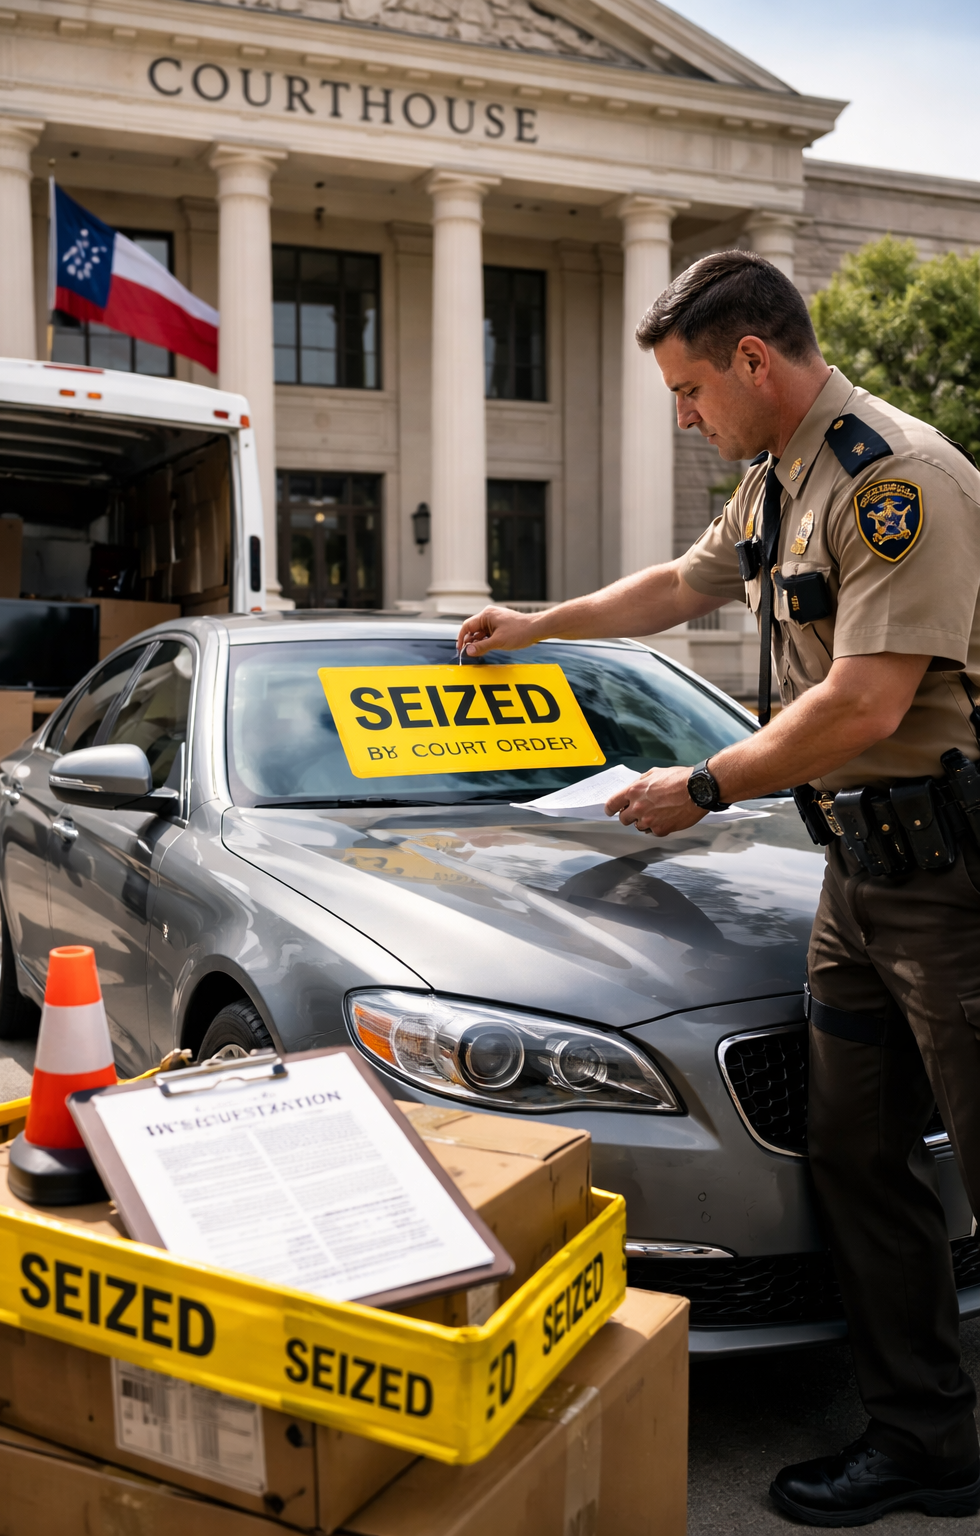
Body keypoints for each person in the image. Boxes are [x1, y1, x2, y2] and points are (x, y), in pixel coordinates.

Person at [458, 249, 980, 1527]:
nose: (684, 417)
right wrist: (539, 624)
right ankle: (926, 1442)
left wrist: (703, 788)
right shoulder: (774, 478)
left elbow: (866, 701)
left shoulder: (893, 477)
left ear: (754, 360)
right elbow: (678, 586)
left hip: (954, 885)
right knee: (857, 1152)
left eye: (690, 391)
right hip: (855, 881)